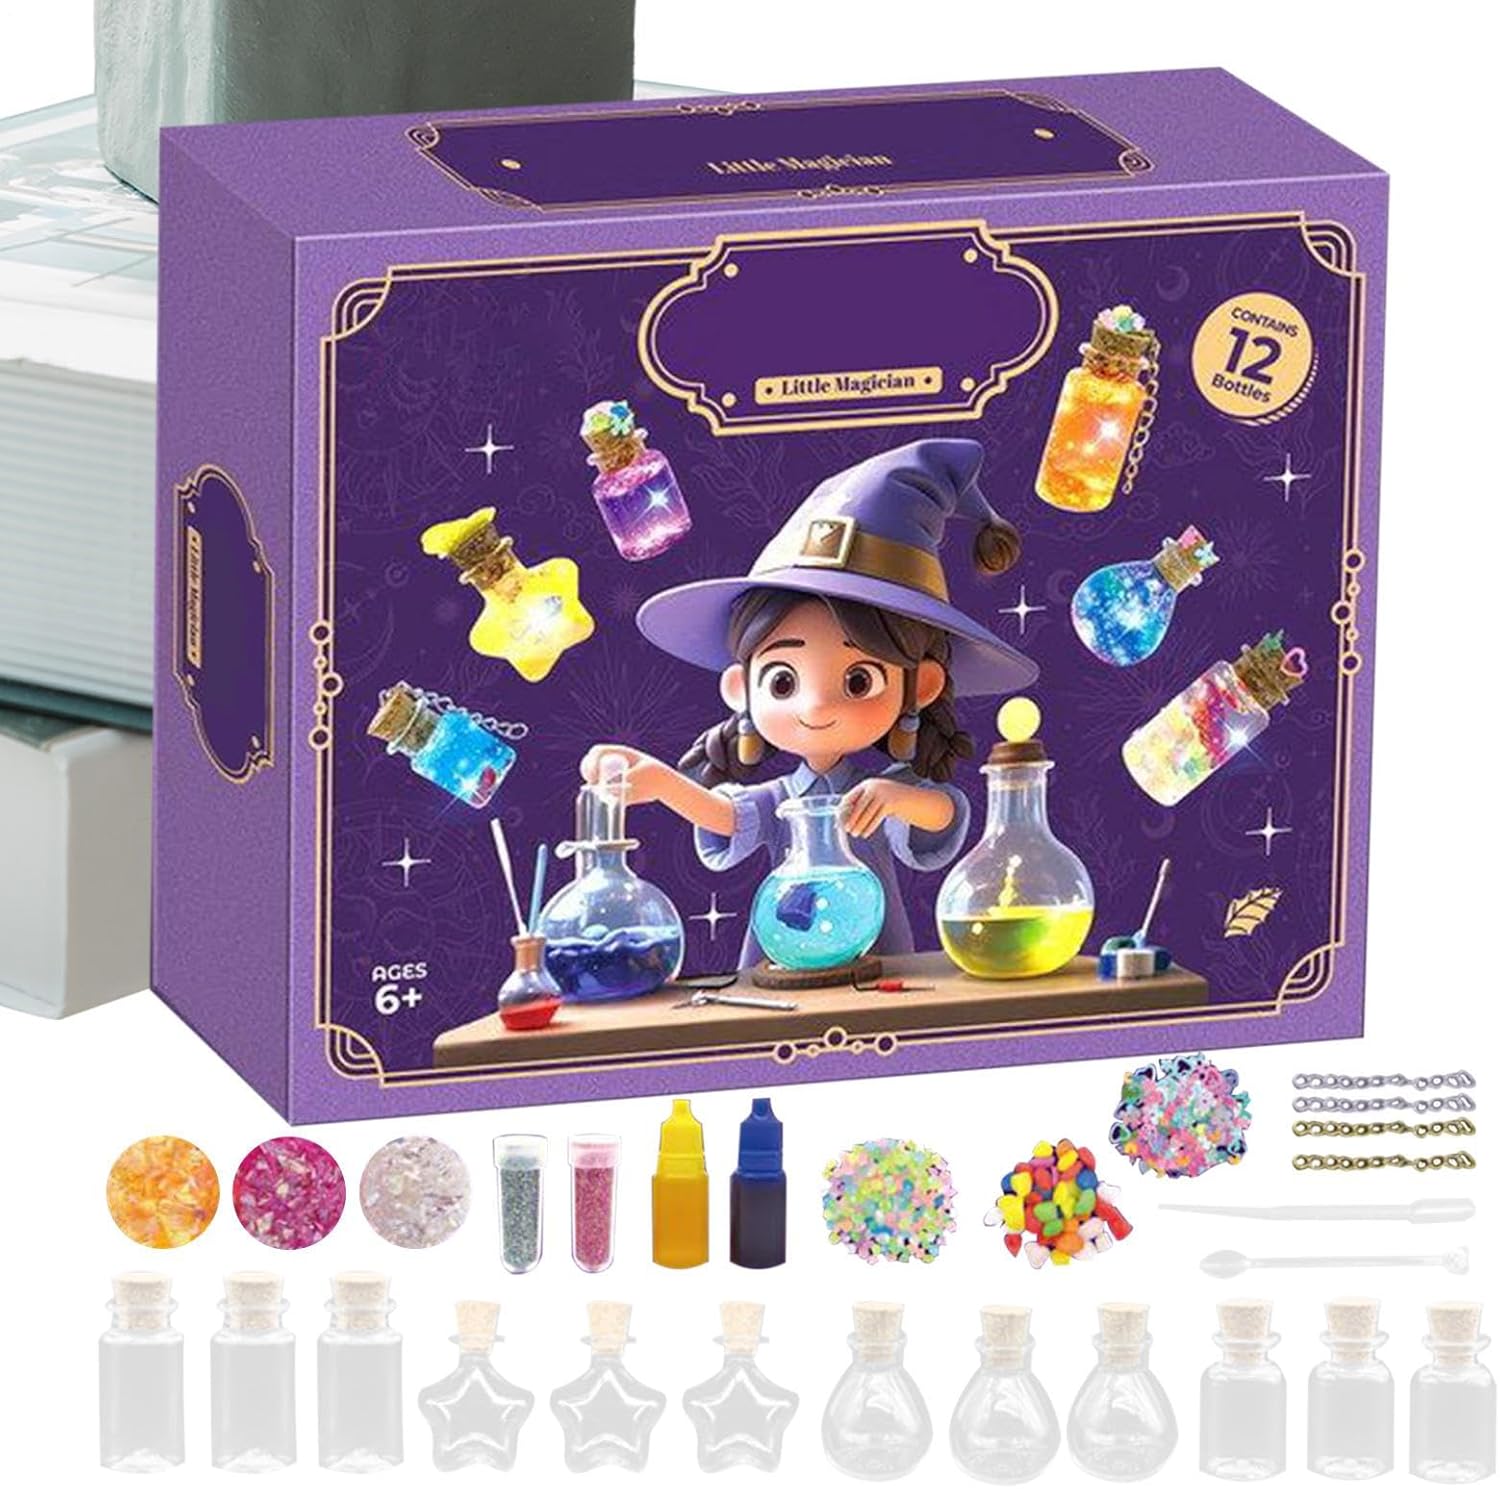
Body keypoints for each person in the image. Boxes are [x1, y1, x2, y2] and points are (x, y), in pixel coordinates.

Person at [581, 438, 1037, 966]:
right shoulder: (780, 800)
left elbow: (943, 815)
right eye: (782, 682)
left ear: (922, 687)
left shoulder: (881, 791)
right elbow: (725, 816)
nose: (816, 706)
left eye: (859, 681)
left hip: (877, 962)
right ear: (740, 689)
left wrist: (897, 798)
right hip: (783, 958)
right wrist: (661, 782)